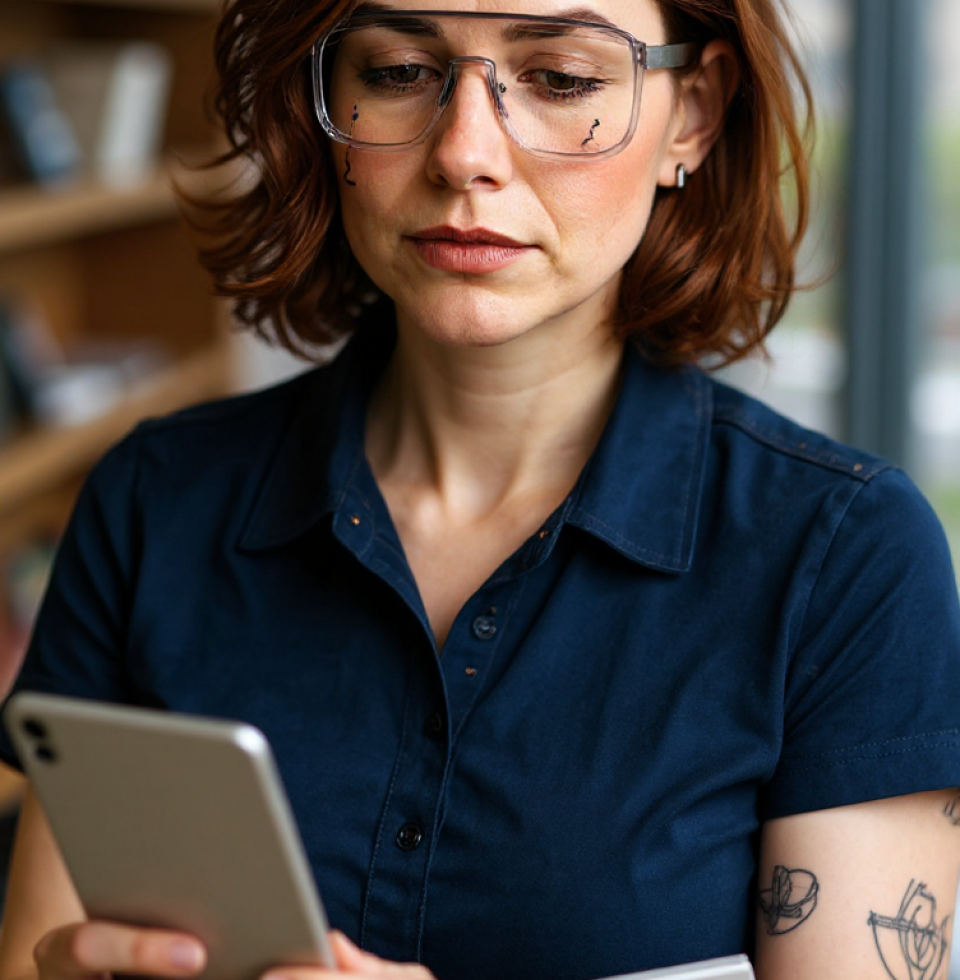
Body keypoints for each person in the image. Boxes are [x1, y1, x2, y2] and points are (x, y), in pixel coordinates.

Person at [1, 0, 959, 978]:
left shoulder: (847, 555)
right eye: (398, 72)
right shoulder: (153, 499)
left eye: (561, 80)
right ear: (322, 98)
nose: (465, 154)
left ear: (694, 115)